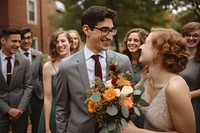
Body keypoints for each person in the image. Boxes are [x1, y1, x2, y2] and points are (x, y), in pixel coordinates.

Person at [56, 5, 133, 133]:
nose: (109, 36)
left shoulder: (123, 61)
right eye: (104, 30)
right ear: (87, 30)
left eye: (112, 30)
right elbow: (61, 108)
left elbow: (130, 103)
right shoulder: (67, 66)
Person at [121, 27, 196, 133]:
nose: (141, 47)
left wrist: (137, 131)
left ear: (160, 51)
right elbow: (130, 96)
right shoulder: (147, 77)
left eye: (145, 43)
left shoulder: (175, 87)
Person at [37, 30, 72, 133]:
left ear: (70, 42)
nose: (60, 45)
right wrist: (47, 127)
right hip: (55, 111)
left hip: (75, 112)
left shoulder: (78, 63)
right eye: (56, 42)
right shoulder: (48, 67)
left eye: (63, 41)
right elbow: (48, 97)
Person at [0, 28, 33, 133]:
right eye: (14, 41)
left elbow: (29, 86)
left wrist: (20, 109)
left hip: (21, 113)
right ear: (3, 40)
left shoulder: (25, 61)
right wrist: (8, 110)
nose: (18, 44)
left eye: (19, 41)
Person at [17, 27, 44, 133]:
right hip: (20, 96)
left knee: (37, 124)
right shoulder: (15, 55)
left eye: (29, 38)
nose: (26, 41)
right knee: (21, 125)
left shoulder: (38, 54)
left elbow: (41, 75)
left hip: (37, 95)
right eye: (23, 38)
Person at [122, 28, 148, 128]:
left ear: (143, 43)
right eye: (129, 40)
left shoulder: (147, 65)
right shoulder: (121, 61)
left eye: (136, 40)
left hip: (142, 107)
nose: (131, 43)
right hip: (124, 108)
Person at [180, 22, 200, 133]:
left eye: (195, 35)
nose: (191, 38)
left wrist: (184, 96)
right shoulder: (175, 57)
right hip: (173, 104)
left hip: (193, 105)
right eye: (187, 35)